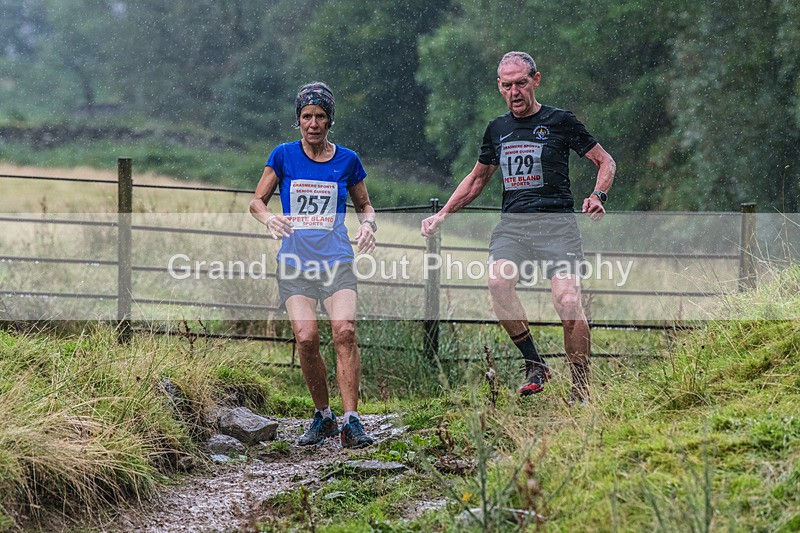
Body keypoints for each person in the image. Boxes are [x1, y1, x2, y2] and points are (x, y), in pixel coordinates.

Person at [421, 51, 616, 404]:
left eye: (521, 83)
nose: (515, 91)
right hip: (514, 228)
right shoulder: (497, 129)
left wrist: (598, 194)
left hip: (557, 228)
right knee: (497, 281)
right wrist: (442, 215)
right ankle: (535, 364)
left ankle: (581, 388)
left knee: (569, 302)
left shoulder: (560, 121)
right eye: (507, 85)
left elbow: (605, 161)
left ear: (535, 81)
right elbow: (477, 180)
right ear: (500, 87)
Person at [250, 81, 377, 447]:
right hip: (295, 263)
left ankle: (352, 421)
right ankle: (323, 416)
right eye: (306, 116)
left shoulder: (347, 160)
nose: (313, 123)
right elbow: (257, 201)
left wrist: (368, 224)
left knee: (345, 331)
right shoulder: (283, 155)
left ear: (330, 120)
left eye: (320, 116)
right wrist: (269, 219)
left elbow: (364, 204)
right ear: (298, 120)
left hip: (337, 260)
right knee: (306, 339)